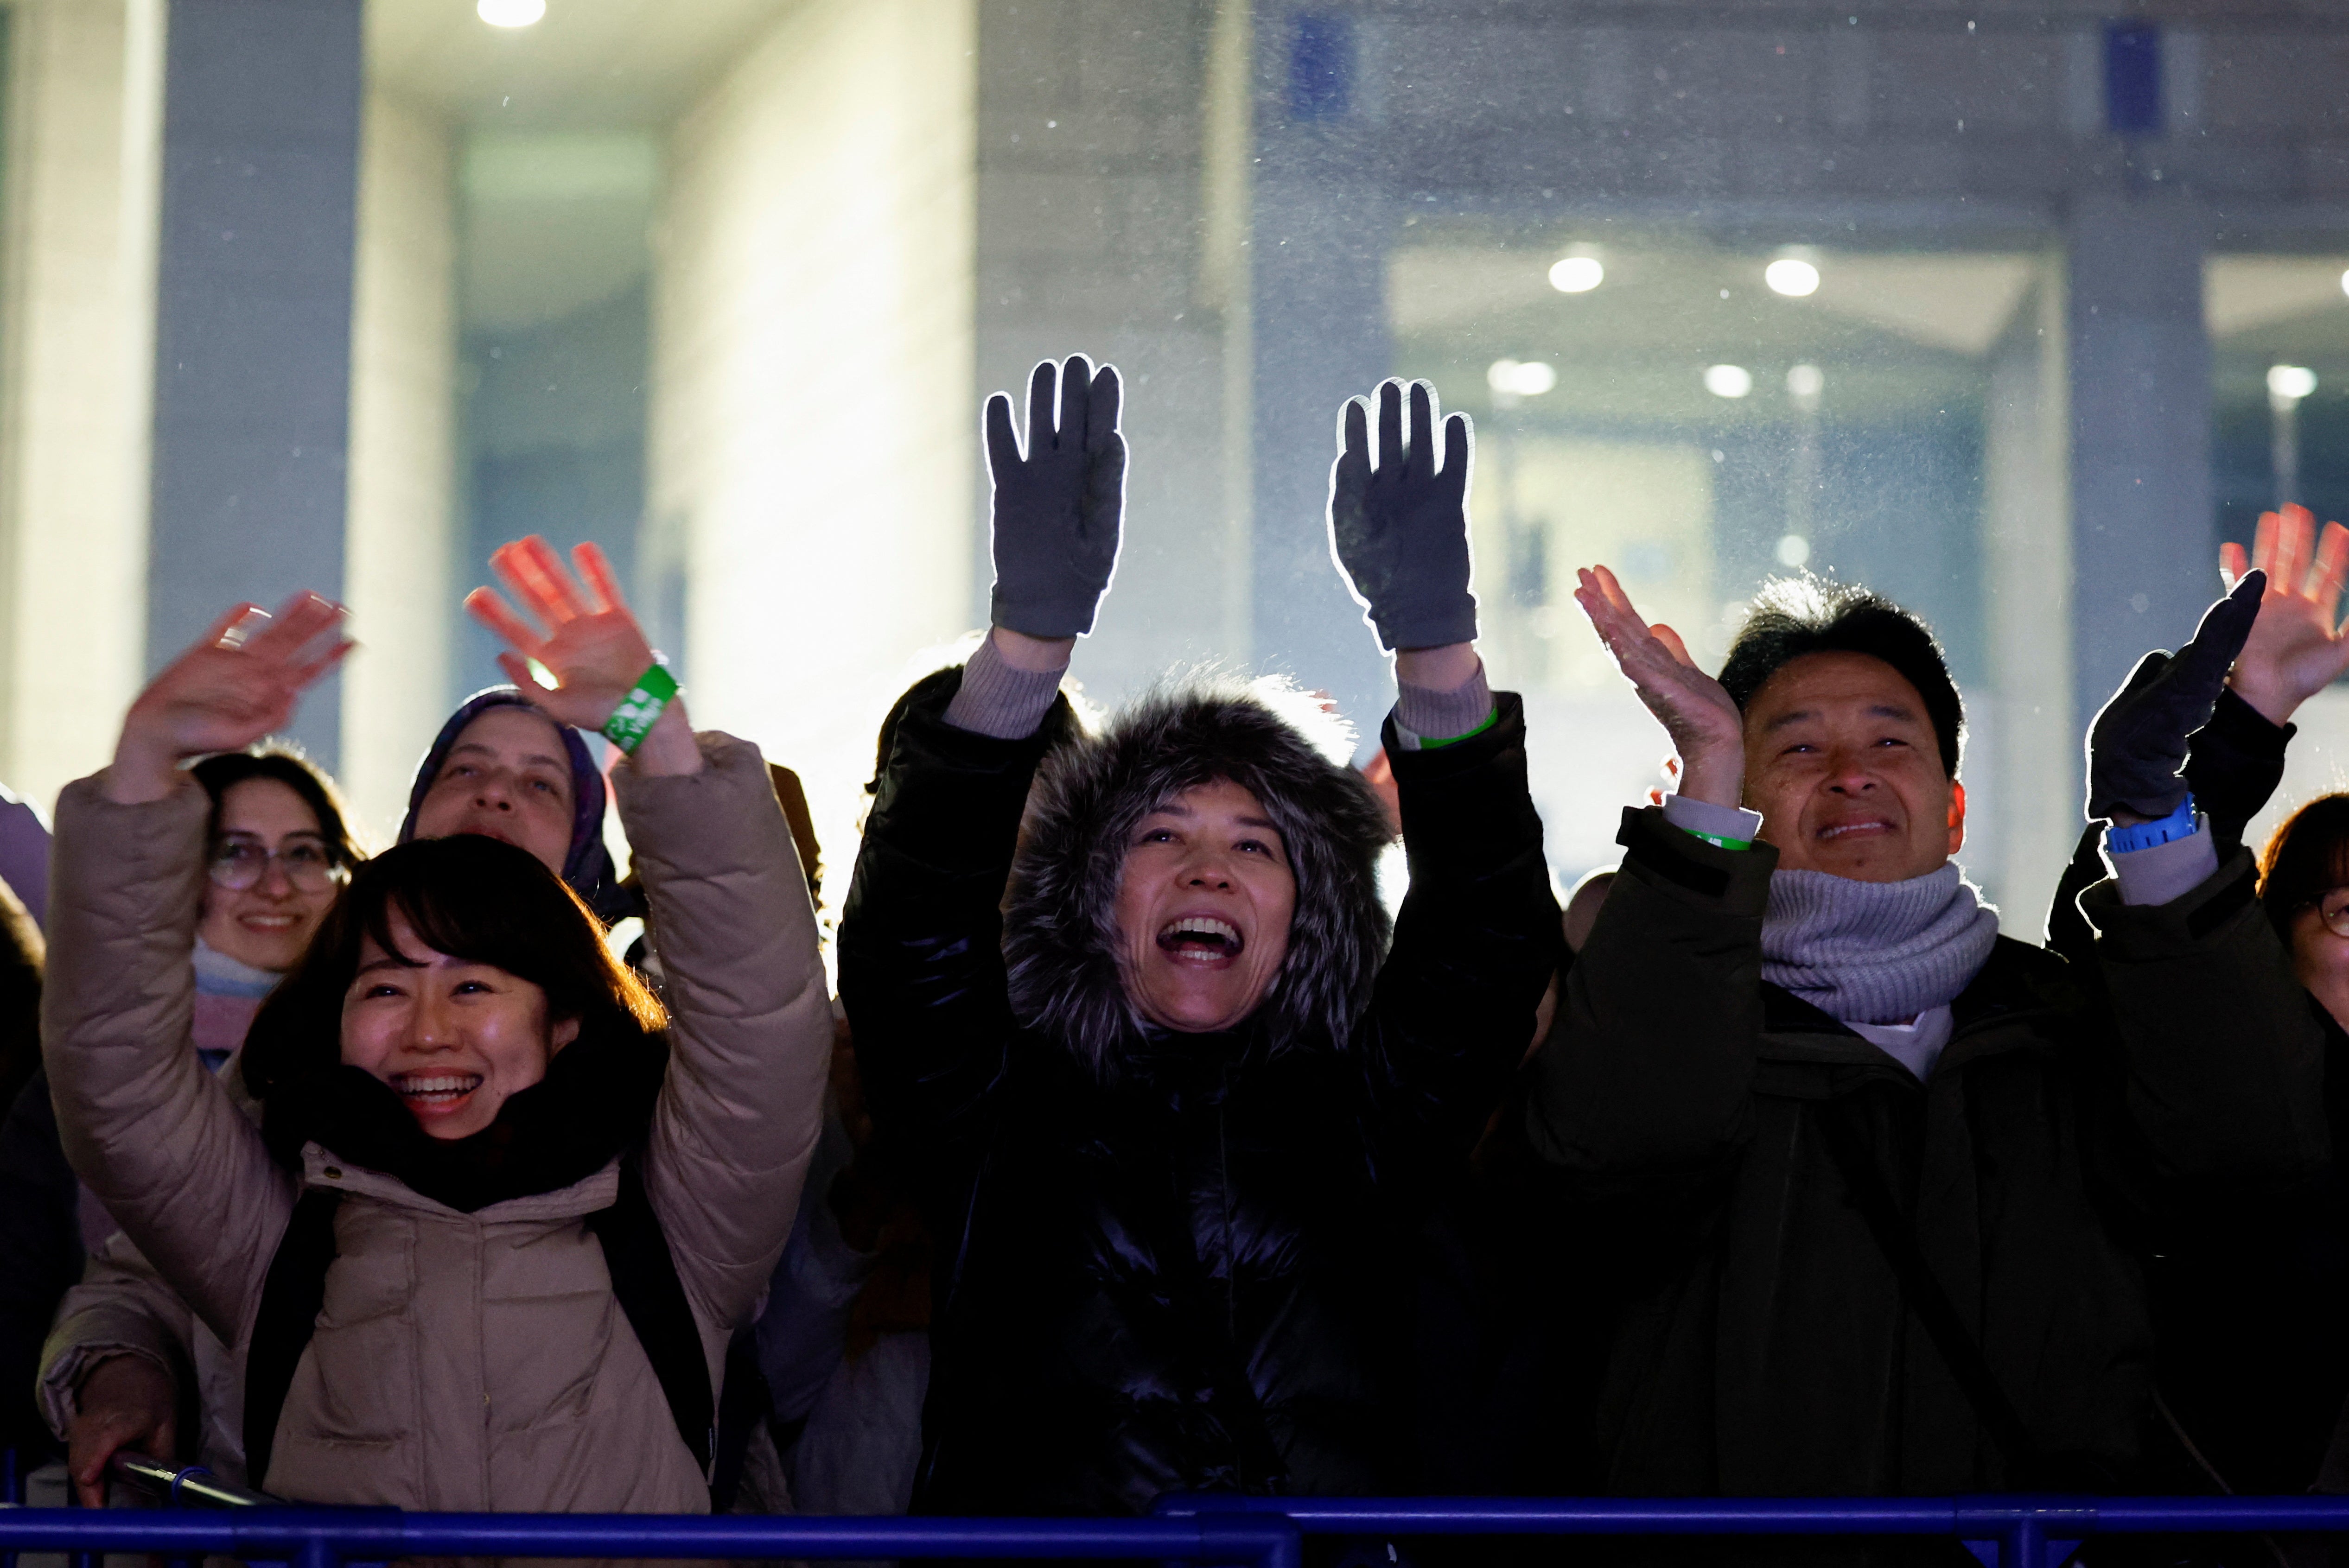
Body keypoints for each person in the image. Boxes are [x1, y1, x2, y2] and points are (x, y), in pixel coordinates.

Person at [840, 362, 1560, 1513]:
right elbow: (910, 937)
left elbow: (1484, 940)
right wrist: (1025, 646)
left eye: (1256, 846)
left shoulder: (1365, 1107)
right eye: (1161, 834)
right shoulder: (996, 1102)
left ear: (1304, 914)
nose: (1208, 868)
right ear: (1090, 892)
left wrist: (1434, 651)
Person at [41, 546, 831, 1512]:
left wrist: (651, 722)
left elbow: (763, 1032)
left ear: (567, 1017)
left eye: (474, 988)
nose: (427, 1030)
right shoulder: (280, 1203)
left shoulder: (666, 1203)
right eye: (385, 988)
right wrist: (144, 763)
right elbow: (120, 1095)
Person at [1522, 561, 2324, 1505]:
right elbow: (1610, 1164)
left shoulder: (2059, 1023)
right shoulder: (1664, 1022)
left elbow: (2251, 1159)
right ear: (1735, 802)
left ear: (1952, 811)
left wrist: (2153, 811)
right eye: (1795, 749)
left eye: (1889, 741)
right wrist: (1701, 783)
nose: (1849, 773)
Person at [25, 748, 359, 1496]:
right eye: (235, 853)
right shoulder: (88, 1072)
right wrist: (117, 1368)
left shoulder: (397, 1059)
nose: (276, 884)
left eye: (305, 854)